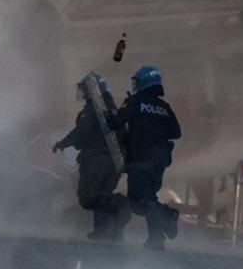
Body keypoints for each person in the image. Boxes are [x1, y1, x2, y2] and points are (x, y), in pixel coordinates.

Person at [53, 74, 130, 241]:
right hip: (113, 163)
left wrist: (63, 143)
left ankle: (120, 205)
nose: (80, 92)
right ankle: (107, 232)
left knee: (88, 197)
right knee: (102, 194)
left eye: (83, 89)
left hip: (97, 161)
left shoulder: (93, 109)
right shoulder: (112, 109)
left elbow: (81, 133)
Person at [114, 65, 181, 251]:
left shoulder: (135, 102)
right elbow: (177, 132)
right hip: (158, 162)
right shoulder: (164, 107)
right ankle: (156, 239)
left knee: (137, 203)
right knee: (150, 198)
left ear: (143, 82)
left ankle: (168, 215)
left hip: (139, 159)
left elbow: (117, 121)